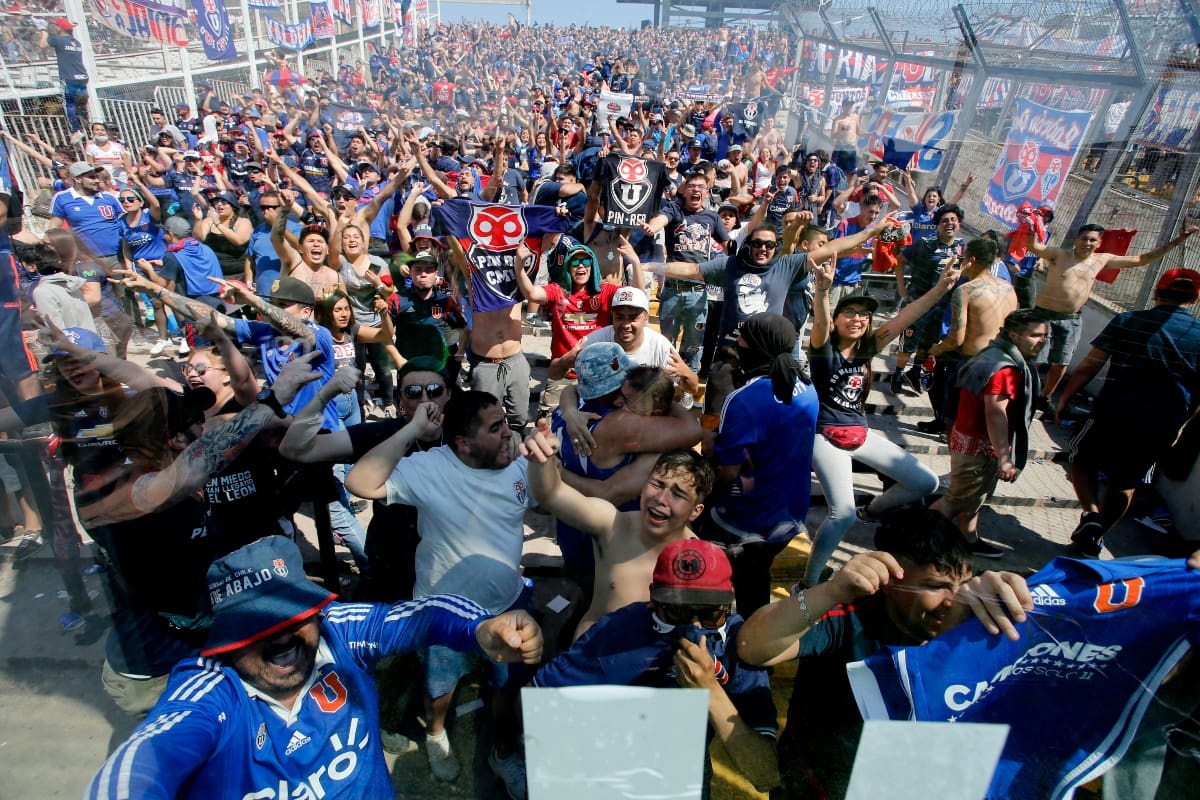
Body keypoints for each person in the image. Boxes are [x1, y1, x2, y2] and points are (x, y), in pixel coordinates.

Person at [85, 535, 543, 800]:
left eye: (293, 616)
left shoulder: (335, 631)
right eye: (256, 626)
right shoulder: (209, 692)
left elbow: (416, 616)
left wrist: (480, 628)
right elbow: (145, 759)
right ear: (224, 640)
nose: (282, 636)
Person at [737, 507, 1033, 800]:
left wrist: (1019, 602)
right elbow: (752, 648)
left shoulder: (978, 622)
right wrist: (831, 591)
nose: (952, 601)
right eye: (935, 586)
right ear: (890, 579)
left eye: (964, 584)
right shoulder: (850, 615)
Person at [345, 390, 534, 787]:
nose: (508, 435)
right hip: (441, 613)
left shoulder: (517, 463)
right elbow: (359, 482)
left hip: (508, 605)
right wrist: (413, 428)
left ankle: (502, 751)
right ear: (463, 444)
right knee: (439, 687)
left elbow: (552, 499)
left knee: (506, 685)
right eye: (496, 428)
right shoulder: (431, 468)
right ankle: (435, 734)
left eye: (506, 424)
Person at [530, 539, 779, 797]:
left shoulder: (740, 642)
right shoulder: (618, 632)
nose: (694, 627)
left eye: (709, 615)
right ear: (652, 598)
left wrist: (710, 692)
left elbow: (764, 775)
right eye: (676, 612)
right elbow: (538, 696)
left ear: (729, 604)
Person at [803, 255, 962, 586]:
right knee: (841, 514)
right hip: (825, 436)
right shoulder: (824, 349)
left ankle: (872, 510)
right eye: (850, 313)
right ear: (837, 319)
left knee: (926, 483)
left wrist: (941, 288)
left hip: (859, 433)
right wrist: (822, 292)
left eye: (864, 314)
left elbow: (907, 317)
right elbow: (819, 324)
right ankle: (809, 580)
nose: (858, 319)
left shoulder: (867, 349)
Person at [528, 378, 705, 637]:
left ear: (695, 511)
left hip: (645, 670)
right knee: (583, 588)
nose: (661, 498)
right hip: (587, 662)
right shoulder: (613, 525)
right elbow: (550, 493)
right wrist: (541, 461)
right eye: (656, 484)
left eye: (677, 494)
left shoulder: (699, 563)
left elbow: (700, 631)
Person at [1057, 268, 1200, 556]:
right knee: (1127, 481)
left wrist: (1063, 398)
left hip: (1113, 411)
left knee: (1082, 459)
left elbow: (1089, 364)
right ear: (1196, 298)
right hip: (1161, 423)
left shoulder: (1129, 320)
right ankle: (1095, 539)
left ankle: (1090, 515)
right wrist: (1182, 425)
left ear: (1157, 292)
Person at [707, 313, 819, 616]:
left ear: (757, 345)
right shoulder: (808, 387)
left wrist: (708, 446)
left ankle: (740, 640)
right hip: (791, 511)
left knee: (745, 580)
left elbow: (726, 471)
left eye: (743, 338)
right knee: (757, 574)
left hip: (749, 518)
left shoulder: (743, 399)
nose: (738, 343)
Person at [1028, 222, 1198, 413]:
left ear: (1099, 243)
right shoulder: (1059, 254)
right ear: (1076, 239)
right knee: (1036, 358)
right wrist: (1032, 229)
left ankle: (1045, 397)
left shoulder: (1102, 259)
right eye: (1084, 238)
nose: (1088, 243)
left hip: (1071, 318)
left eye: (1093, 240)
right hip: (1043, 314)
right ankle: (1026, 392)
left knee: (1061, 362)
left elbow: (1142, 259)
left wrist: (1176, 241)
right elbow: (1035, 247)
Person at [931, 309, 1048, 556]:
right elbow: (995, 413)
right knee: (953, 501)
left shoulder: (991, 354)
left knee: (971, 501)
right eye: (1035, 335)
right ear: (1014, 335)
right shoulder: (1005, 369)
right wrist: (1005, 459)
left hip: (968, 440)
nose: (1042, 341)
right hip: (980, 448)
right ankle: (917, 542)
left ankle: (969, 539)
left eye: (1044, 336)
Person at [921, 237, 1018, 434]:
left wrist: (935, 350)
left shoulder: (966, 290)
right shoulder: (1009, 288)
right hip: (1004, 361)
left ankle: (949, 436)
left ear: (970, 260)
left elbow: (957, 338)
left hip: (973, 364)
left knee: (956, 428)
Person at [891, 203, 966, 395]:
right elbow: (900, 259)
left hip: (941, 307)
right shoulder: (925, 243)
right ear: (937, 225)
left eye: (953, 220)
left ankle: (914, 372)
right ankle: (898, 374)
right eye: (944, 221)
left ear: (959, 224)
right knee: (908, 341)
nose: (949, 224)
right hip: (918, 302)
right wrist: (901, 287)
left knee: (928, 343)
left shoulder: (961, 247)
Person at [37, 17, 89, 137]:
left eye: (56, 26)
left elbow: (42, 45)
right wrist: (68, 25)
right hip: (82, 77)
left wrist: (44, 33)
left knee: (69, 104)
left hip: (69, 77)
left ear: (60, 28)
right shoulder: (76, 42)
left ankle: (75, 131)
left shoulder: (57, 39)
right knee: (80, 105)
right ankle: (85, 125)